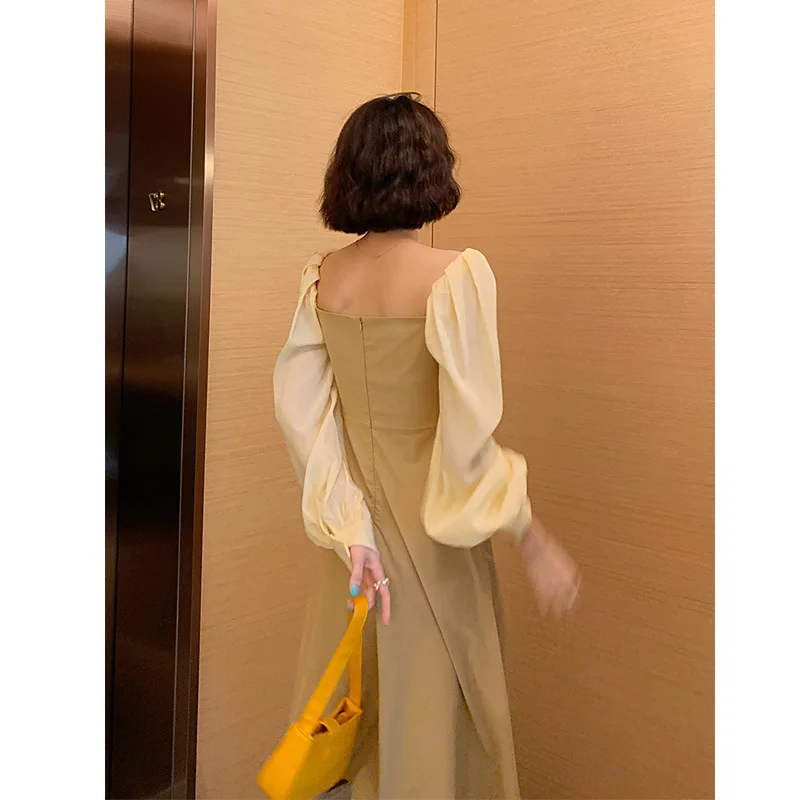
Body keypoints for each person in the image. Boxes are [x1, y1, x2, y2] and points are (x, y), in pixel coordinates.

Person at [273, 93, 580, 800]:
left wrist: (347, 526)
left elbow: (305, 418)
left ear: (349, 172)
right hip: (433, 538)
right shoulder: (455, 276)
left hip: (353, 542)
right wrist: (531, 536)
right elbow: (467, 438)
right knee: (438, 712)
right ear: (429, 171)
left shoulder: (323, 278)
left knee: (361, 710)